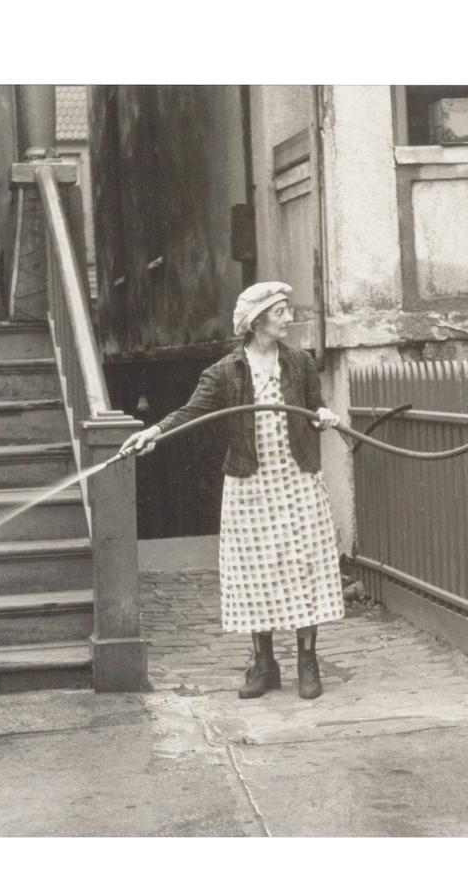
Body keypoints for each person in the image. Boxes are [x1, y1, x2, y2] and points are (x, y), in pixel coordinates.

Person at [121, 282, 344, 700]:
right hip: (249, 482)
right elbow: (191, 412)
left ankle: (307, 663)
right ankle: (264, 665)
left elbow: (314, 407)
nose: (288, 317)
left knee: (303, 566)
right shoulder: (226, 371)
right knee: (256, 572)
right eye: (280, 311)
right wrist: (153, 432)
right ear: (257, 321)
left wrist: (323, 416)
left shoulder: (298, 362)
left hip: (297, 479)